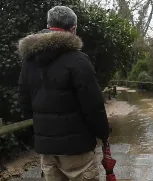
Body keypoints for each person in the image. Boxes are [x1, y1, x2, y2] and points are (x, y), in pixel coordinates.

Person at [17, 6, 110, 181]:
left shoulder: (29, 61)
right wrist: (103, 134)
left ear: (48, 25)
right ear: (73, 29)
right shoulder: (78, 60)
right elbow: (93, 106)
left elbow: (24, 103)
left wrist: (43, 129)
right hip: (77, 150)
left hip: (46, 150)